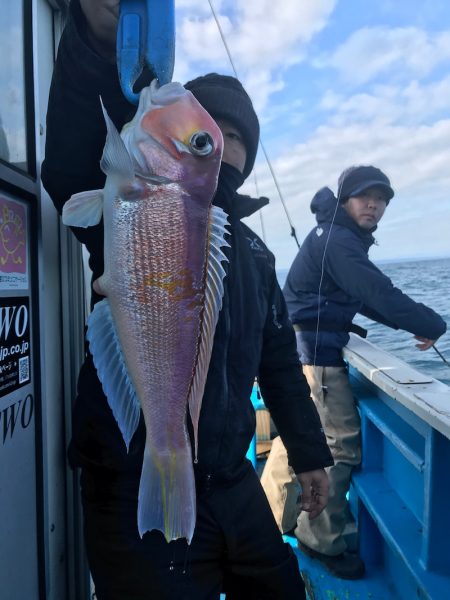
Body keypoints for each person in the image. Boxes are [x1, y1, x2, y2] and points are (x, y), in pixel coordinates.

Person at [41, 1, 334, 599]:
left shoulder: (252, 254)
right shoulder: (127, 198)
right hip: (129, 474)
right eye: (212, 135)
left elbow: (277, 362)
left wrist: (309, 453)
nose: (225, 149)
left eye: (236, 140)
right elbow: (71, 160)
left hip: (230, 480)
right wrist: (98, 39)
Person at [261, 165, 447, 580]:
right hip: (318, 356)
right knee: (337, 447)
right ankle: (320, 539)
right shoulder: (342, 242)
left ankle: (271, 517)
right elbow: (378, 292)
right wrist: (431, 323)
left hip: (298, 351)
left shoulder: (334, 237)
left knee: (295, 440)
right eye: (365, 196)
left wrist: (414, 322)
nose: (374, 205)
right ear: (346, 200)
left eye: (381, 199)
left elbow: (365, 298)